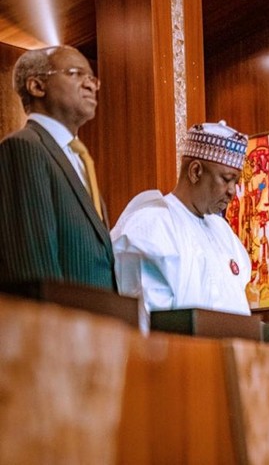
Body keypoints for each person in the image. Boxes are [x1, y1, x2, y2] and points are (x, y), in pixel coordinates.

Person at [111, 121, 252, 328]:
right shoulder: (151, 226)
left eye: (236, 182)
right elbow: (146, 322)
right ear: (195, 171)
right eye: (226, 179)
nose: (232, 191)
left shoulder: (223, 232)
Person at [0, 45, 116, 290]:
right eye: (75, 73)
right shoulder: (23, 148)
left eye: (93, 78)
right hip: (59, 324)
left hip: (97, 322)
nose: (90, 85)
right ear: (37, 86)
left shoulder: (79, 158)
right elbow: (33, 269)